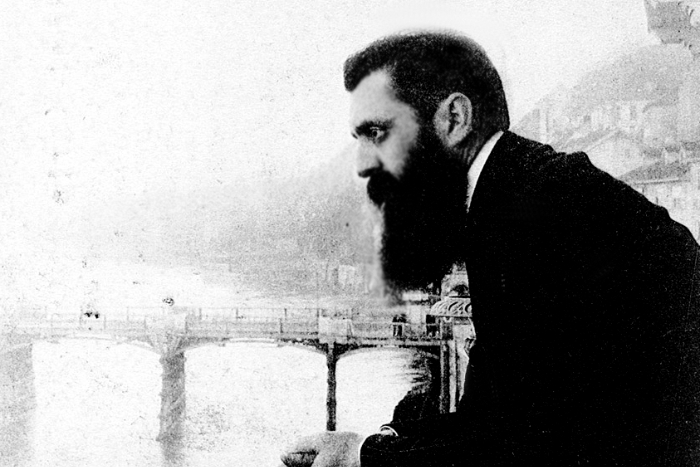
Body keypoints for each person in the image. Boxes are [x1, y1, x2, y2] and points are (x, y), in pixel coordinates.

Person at [281, 30, 700, 466]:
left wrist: (361, 456)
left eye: (378, 132)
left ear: (455, 119)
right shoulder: (510, 198)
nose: (364, 164)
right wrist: (379, 442)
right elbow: (492, 417)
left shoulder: (538, 210)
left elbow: (521, 445)